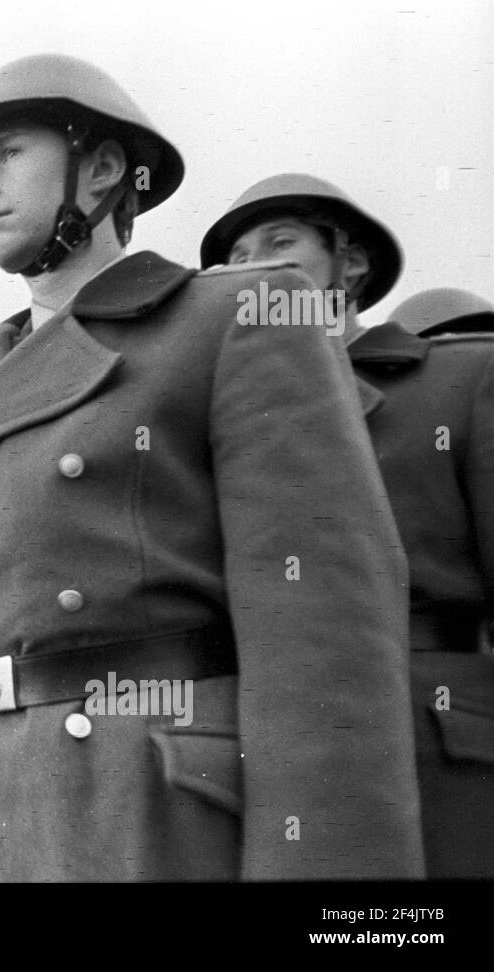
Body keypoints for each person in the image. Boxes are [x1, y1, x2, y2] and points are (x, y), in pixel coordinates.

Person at [0, 55, 423, 882]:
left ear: (100, 170)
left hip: (145, 818)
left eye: (6, 152)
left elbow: (326, 650)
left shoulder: (232, 320)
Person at [202, 179, 494, 876]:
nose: (254, 266)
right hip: (271, 739)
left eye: (280, 244)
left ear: (350, 266)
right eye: (238, 254)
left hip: (439, 740)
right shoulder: (221, 414)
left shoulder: (462, 379)